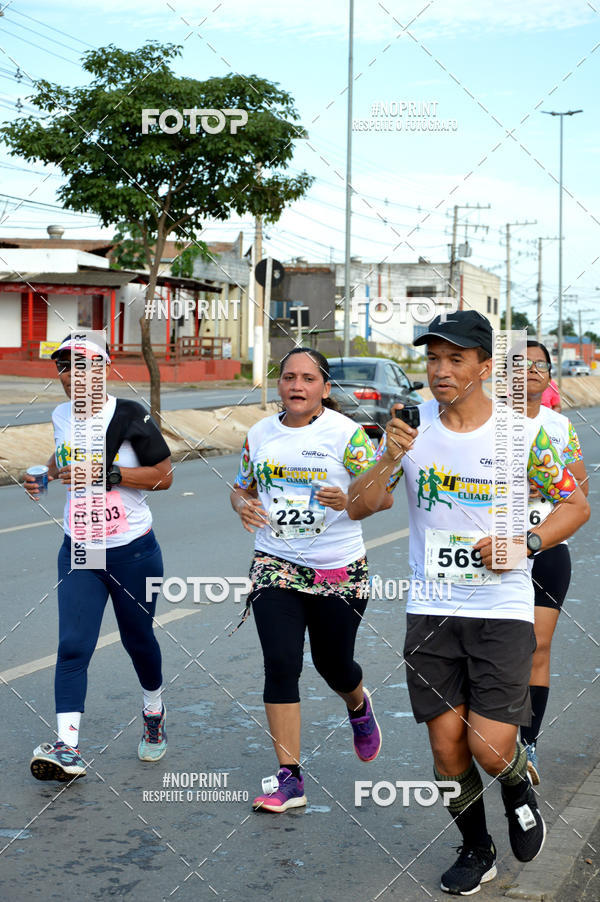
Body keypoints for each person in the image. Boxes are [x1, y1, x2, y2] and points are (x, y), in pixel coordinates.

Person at [347, 311, 590, 896]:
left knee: (488, 744)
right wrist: (388, 457)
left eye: (456, 359)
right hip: (431, 609)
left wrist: (526, 543)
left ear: (484, 367)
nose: (441, 370)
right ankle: (476, 848)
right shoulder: (409, 424)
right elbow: (359, 505)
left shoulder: (522, 434)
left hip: (502, 608)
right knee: (445, 744)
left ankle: (516, 784)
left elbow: (576, 505)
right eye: (433, 358)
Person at [230, 347, 391, 813]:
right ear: (278, 384)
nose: (296, 386)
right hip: (275, 563)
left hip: (338, 568)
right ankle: (290, 778)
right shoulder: (260, 433)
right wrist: (243, 506)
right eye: (288, 377)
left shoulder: (347, 434)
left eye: (307, 378)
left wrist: (349, 498)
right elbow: (241, 489)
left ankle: (357, 704)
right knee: (281, 663)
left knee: (333, 664)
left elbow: (381, 498)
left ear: (324, 387)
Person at [24, 335, 173, 781]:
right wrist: (44, 474)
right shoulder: (60, 415)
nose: (72, 375)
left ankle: (153, 710)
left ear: (104, 370)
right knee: (73, 645)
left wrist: (109, 473)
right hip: (81, 547)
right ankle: (67, 747)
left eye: (83, 366)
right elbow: (63, 456)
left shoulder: (128, 414)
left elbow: (164, 477)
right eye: (64, 367)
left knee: (138, 640)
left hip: (132, 550)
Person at [523, 341, 587, 783]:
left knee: (537, 647)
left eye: (539, 365)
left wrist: (544, 484)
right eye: (520, 364)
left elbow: (580, 491)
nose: (530, 370)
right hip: (492, 553)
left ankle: (527, 744)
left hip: (546, 550)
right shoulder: (486, 423)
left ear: (549, 374)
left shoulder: (560, 426)